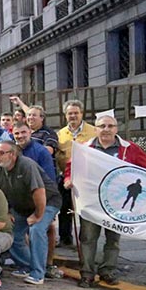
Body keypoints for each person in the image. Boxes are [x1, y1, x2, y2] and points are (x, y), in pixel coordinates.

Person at [64, 115, 146, 287]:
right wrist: (68, 179)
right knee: (87, 238)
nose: (106, 129)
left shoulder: (129, 149)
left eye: (110, 126)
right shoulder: (85, 148)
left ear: (116, 129)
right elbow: (70, 167)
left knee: (113, 239)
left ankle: (108, 271)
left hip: (115, 205)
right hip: (91, 202)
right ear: (96, 129)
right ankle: (87, 274)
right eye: (102, 126)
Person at [0, 141, 62, 285]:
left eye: (1, 153)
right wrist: (7, 212)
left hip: (47, 202)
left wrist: (37, 215)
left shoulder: (26, 165)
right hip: (21, 207)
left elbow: (39, 192)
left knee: (37, 229)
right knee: (12, 232)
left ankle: (38, 273)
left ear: (13, 154)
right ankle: (27, 265)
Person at [56, 100, 96, 246]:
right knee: (65, 209)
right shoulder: (60, 134)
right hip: (66, 178)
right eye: (69, 113)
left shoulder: (94, 131)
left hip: (87, 179)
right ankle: (65, 239)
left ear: (81, 114)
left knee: (85, 211)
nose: (73, 116)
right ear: (65, 115)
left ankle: (85, 241)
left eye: (76, 113)